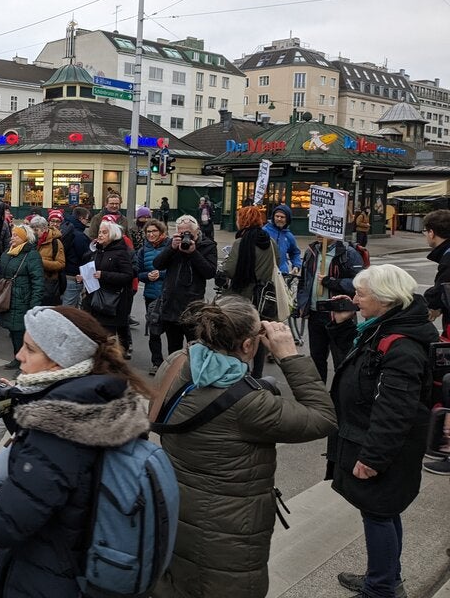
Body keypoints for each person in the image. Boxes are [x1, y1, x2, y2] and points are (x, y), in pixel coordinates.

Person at [0, 306, 152, 598]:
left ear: (58, 364)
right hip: (82, 565)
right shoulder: (104, 402)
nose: (19, 355)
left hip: (48, 581)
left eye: (30, 349)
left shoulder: (60, 431)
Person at [151, 296, 335, 598]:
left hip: (176, 506)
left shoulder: (177, 362)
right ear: (249, 346)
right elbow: (323, 418)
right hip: (229, 532)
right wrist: (290, 355)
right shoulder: (249, 402)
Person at [326, 265, 438, 598]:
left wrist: (373, 457)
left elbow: (395, 411)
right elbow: (358, 365)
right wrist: (344, 327)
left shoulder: (402, 344)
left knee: (378, 514)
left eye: (361, 294)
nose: (355, 299)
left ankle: (380, 589)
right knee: (383, 512)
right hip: (371, 438)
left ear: (385, 299)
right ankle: (387, 577)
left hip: (384, 447)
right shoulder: (385, 326)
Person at [224, 206, 280, 378]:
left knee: (241, 333)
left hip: (244, 296)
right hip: (265, 297)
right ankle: (258, 373)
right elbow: (276, 264)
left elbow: (231, 270)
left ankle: (242, 369)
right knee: (260, 333)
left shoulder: (240, 243)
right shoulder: (270, 242)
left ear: (243, 221)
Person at [296, 238, 363, 383]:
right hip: (315, 313)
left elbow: (360, 281)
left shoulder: (348, 253)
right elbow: (304, 280)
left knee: (341, 358)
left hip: (338, 316)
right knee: (317, 358)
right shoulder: (310, 252)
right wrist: (302, 304)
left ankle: (340, 397)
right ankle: (320, 397)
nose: (320, 234)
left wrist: (332, 282)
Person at [153, 215, 218, 355]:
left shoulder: (208, 245)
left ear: (197, 231)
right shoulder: (173, 243)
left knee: (195, 349)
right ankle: (174, 375)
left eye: (188, 233)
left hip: (193, 306)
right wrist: (171, 248)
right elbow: (157, 264)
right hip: (171, 305)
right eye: (182, 233)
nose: (185, 237)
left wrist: (193, 253)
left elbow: (210, 272)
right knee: (173, 348)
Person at [80, 220, 135, 355]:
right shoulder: (98, 251)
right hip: (95, 299)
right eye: (99, 232)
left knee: (107, 337)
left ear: (113, 235)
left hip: (111, 301)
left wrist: (104, 275)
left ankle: (113, 363)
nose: (100, 235)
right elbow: (92, 270)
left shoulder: (120, 253)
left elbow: (128, 275)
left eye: (104, 232)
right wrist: (83, 277)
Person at [0, 224, 44, 370]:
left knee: (20, 333)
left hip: (23, 299)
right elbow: (0, 273)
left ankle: (25, 363)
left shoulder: (32, 255)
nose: (12, 237)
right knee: (13, 331)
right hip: (9, 297)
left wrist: (34, 303)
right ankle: (18, 358)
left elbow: (38, 281)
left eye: (16, 235)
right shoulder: (8, 252)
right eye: (13, 234)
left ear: (24, 238)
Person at [138, 218, 171, 375]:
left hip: (169, 295)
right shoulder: (143, 251)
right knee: (154, 330)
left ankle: (172, 362)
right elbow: (138, 272)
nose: (151, 234)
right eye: (148, 232)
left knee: (172, 331)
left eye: (154, 231)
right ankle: (156, 362)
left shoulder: (171, 247)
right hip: (151, 295)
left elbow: (176, 270)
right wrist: (146, 276)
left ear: (161, 232)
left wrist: (161, 274)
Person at [423, 209, 450, 331]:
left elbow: (442, 289)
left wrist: (431, 305)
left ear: (431, 233)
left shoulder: (448, 258)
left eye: (425, 231)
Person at [30, 216, 65, 306]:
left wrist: (40, 262)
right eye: (32, 229)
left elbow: (61, 263)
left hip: (48, 284)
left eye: (36, 230)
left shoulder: (55, 242)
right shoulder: (31, 241)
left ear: (44, 229)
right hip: (33, 283)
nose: (34, 232)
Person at [60, 207, 91, 308]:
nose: (87, 222)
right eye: (87, 219)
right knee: (69, 310)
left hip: (64, 274)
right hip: (73, 276)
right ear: (81, 218)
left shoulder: (66, 227)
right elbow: (84, 255)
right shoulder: (79, 235)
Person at [262, 204, 301, 276]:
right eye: (277, 216)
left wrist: (296, 265)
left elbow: (295, 252)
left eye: (282, 217)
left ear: (287, 219)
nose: (279, 219)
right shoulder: (264, 232)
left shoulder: (289, 236)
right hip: (265, 274)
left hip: (282, 274)